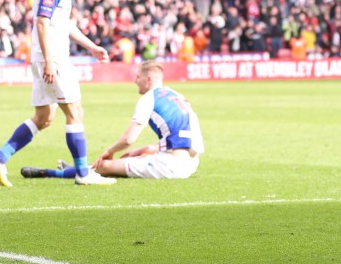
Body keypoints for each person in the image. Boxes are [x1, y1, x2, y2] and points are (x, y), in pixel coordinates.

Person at [0, 0, 116, 186]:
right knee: (75, 112)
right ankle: (83, 174)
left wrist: (92, 47)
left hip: (46, 57)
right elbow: (42, 22)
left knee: (45, 117)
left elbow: (64, 24)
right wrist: (47, 62)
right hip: (52, 58)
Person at [20, 61, 203, 180]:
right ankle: (80, 168)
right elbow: (189, 140)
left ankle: (52, 173)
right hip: (191, 163)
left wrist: (108, 151)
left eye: (137, 77)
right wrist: (143, 150)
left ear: (148, 79)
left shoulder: (149, 98)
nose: (135, 81)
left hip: (170, 166)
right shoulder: (178, 96)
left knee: (105, 166)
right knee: (141, 152)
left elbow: (128, 139)